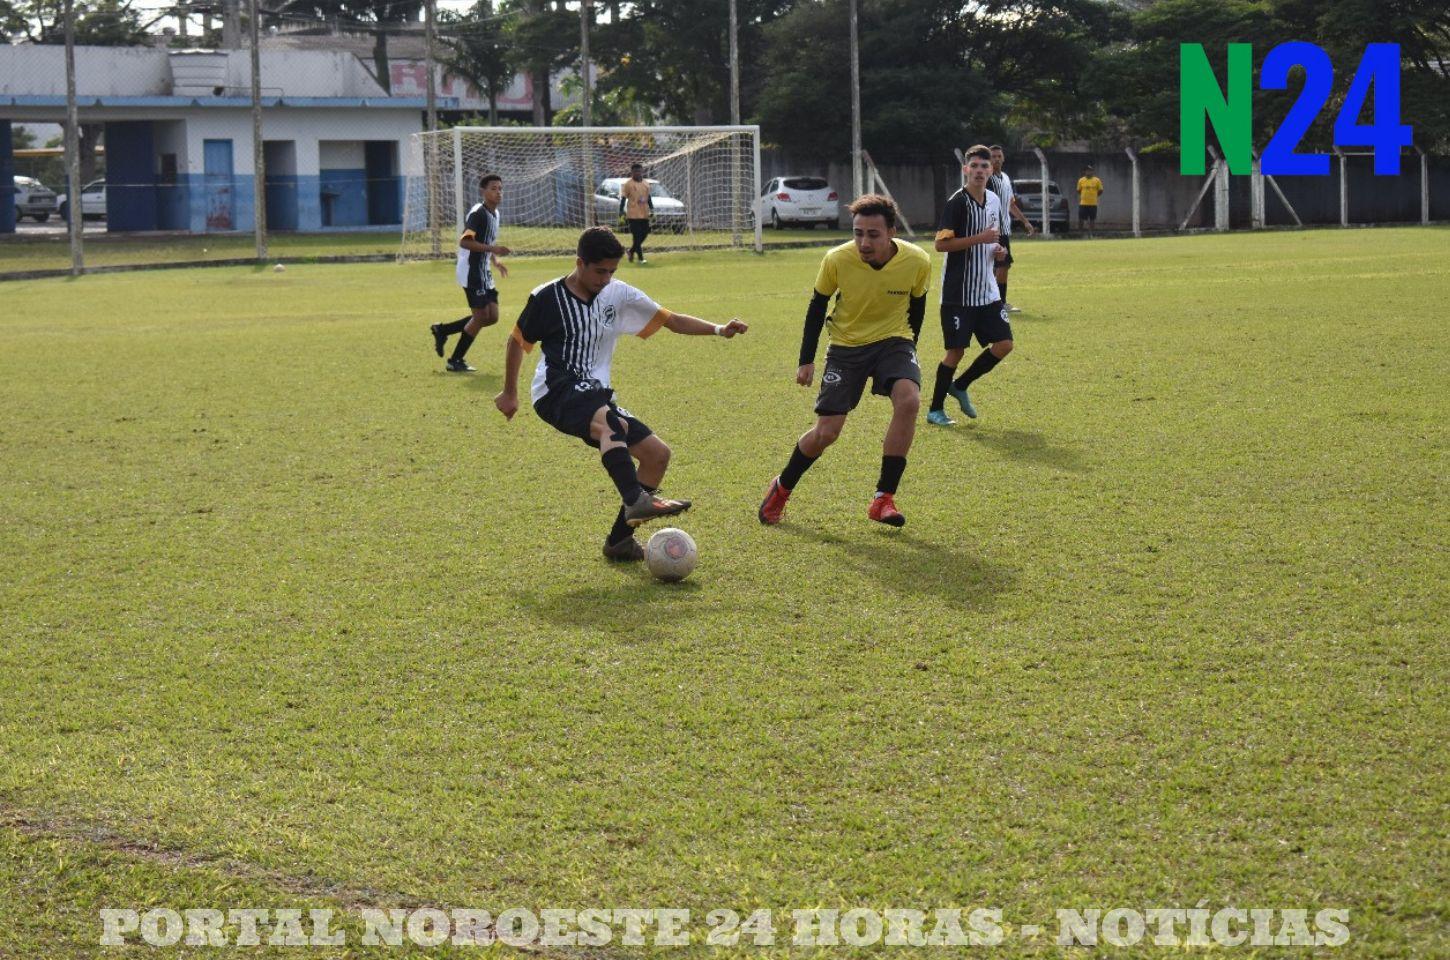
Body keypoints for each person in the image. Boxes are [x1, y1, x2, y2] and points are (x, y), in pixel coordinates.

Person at [494, 227, 749, 561]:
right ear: (579, 263)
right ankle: (635, 497)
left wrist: (718, 329)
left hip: (596, 394)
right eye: (600, 271)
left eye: (612, 271)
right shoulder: (547, 297)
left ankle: (619, 542)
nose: (606, 278)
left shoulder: (619, 294)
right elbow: (517, 341)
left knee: (657, 454)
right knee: (611, 423)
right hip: (555, 389)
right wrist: (509, 392)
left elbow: (671, 320)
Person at [758, 194, 930, 529]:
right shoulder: (837, 259)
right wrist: (806, 360)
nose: (864, 242)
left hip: (894, 341)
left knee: (909, 400)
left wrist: (911, 350)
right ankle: (781, 488)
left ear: (892, 232)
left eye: (873, 234)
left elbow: (918, 307)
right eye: (858, 233)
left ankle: (884, 498)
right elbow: (817, 307)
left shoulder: (917, 260)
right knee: (827, 432)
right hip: (846, 347)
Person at [926, 144, 1009, 427]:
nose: (979, 171)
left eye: (984, 167)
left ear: (991, 170)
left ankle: (960, 385)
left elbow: (994, 238)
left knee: (1005, 344)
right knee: (956, 351)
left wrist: (999, 251)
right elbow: (940, 244)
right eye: (974, 166)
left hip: (987, 290)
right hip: (958, 293)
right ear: (965, 170)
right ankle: (935, 409)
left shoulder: (995, 201)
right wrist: (980, 238)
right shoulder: (957, 203)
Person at [431, 174, 511, 372]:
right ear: (483, 191)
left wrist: (495, 261)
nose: (498, 192)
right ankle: (455, 360)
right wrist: (493, 250)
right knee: (481, 316)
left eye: (500, 188)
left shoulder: (495, 214)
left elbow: (487, 241)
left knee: (491, 317)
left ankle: (443, 330)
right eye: (493, 188)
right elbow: (465, 242)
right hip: (471, 272)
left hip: (483, 271)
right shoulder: (478, 213)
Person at [988, 144, 1035, 313]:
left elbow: (1010, 204)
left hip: (1005, 230)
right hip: (993, 230)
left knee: (1000, 266)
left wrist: (1025, 221)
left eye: (999, 156)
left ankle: (991, 300)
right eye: (993, 156)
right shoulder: (987, 179)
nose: (996, 159)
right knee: (1002, 265)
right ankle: (1000, 303)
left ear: (1003, 158)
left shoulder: (1006, 178)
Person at [619, 163, 653, 264]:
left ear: (642, 171)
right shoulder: (628, 184)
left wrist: (652, 208)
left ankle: (631, 251)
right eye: (635, 171)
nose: (637, 173)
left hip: (644, 213)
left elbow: (649, 197)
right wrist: (621, 210)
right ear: (632, 172)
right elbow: (623, 198)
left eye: (639, 171)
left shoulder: (646, 184)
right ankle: (641, 259)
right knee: (637, 236)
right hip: (633, 214)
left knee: (645, 233)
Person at [1076, 165, 1104, 233]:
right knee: (1081, 218)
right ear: (1084, 172)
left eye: (1090, 170)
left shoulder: (1097, 180)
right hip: (1083, 203)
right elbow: (1078, 190)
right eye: (1087, 170)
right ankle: (1080, 233)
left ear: (1092, 171)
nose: (1088, 172)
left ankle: (1091, 233)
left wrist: (1095, 196)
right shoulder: (1081, 180)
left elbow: (1100, 190)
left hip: (1093, 203)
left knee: (1092, 219)